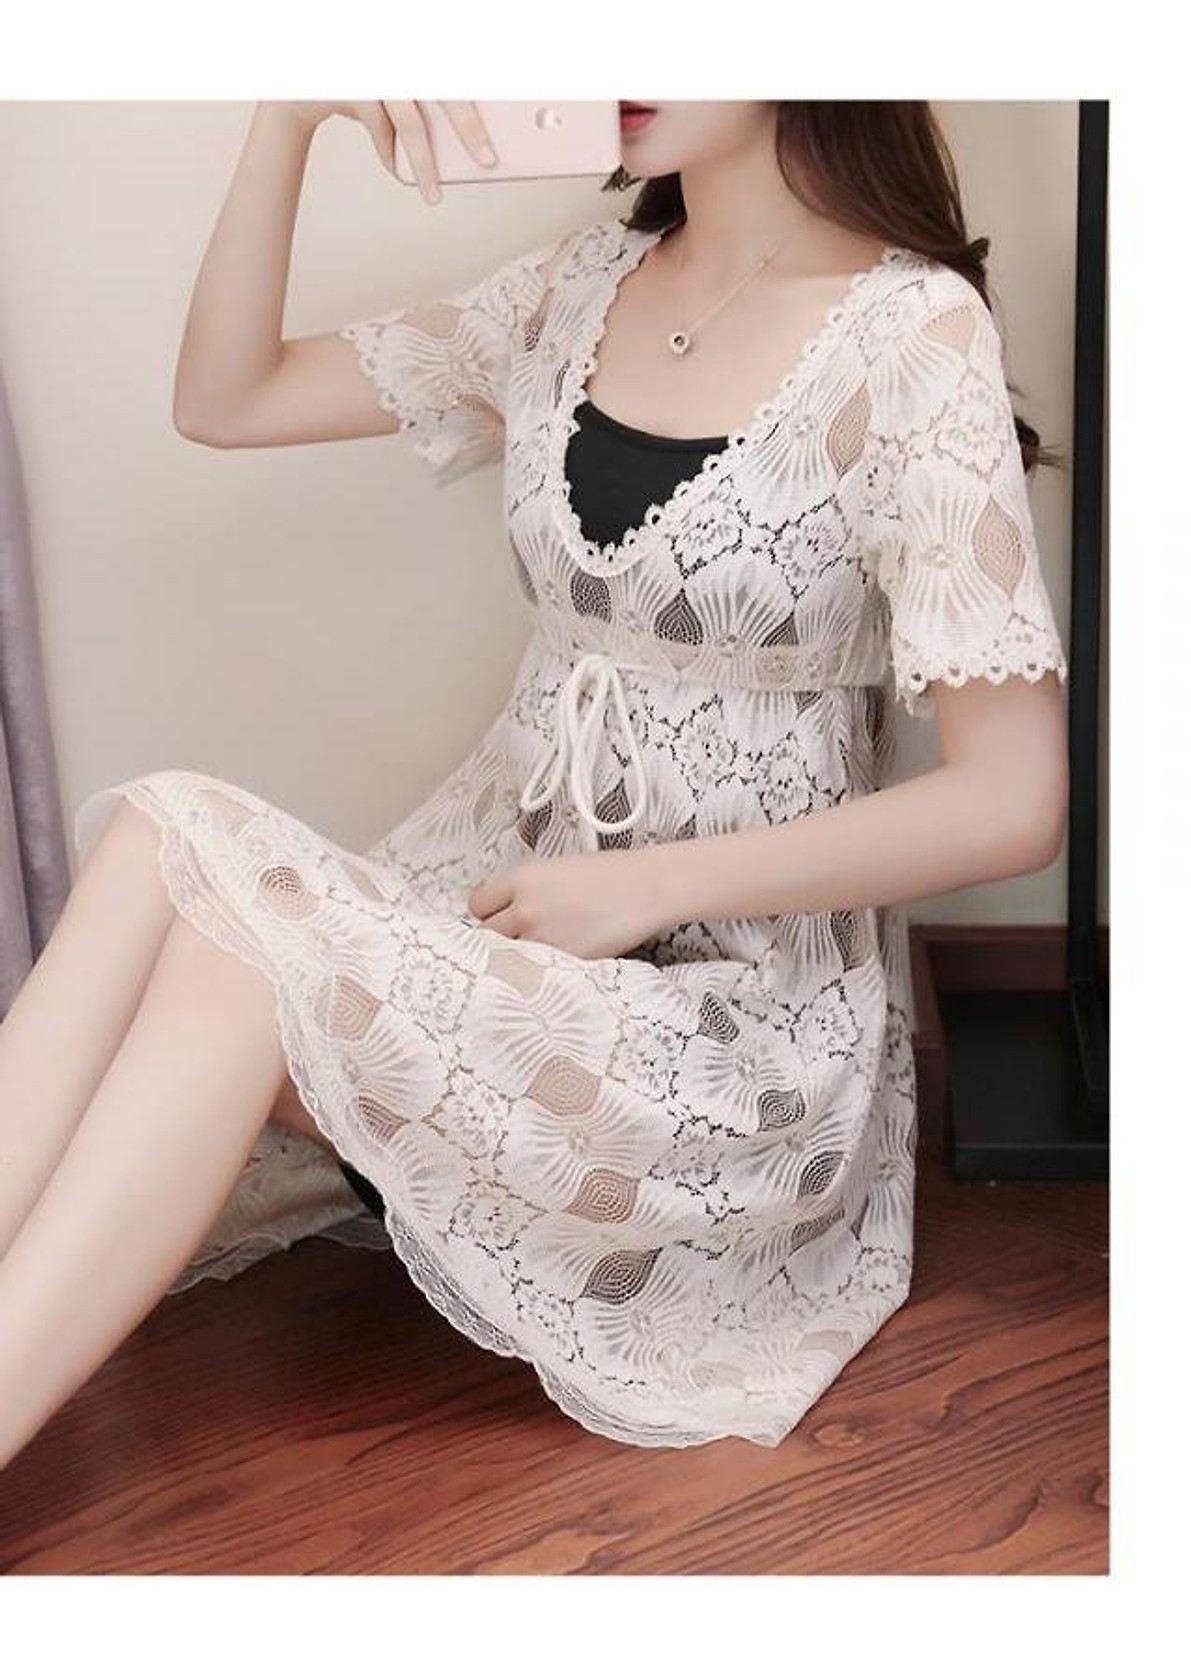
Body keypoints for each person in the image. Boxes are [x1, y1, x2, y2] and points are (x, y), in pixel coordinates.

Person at [0, 99, 1070, 1465]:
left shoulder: (915, 337)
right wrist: (290, 114)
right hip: (514, 927)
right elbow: (225, 397)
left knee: (234, 957)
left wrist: (645, 888)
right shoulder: (581, 286)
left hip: (737, 1041)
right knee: (160, 835)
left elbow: (1012, 801)